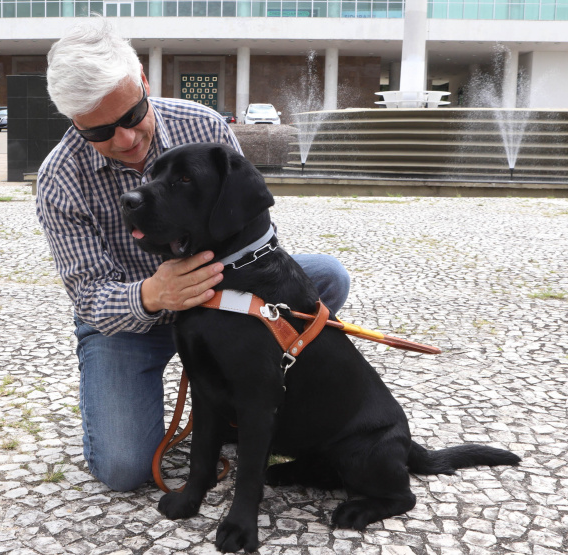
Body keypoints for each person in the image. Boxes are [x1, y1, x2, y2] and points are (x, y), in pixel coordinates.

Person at [35, 17, 350, 492]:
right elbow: (91, 297)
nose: (123, 139)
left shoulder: (200, 124)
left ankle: (242, 395)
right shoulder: (59, 178)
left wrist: (215, 288)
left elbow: (250, 228)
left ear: (143, 82)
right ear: (73, 122)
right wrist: (155, 293)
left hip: (222, 300)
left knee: (326, 276)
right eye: (99, 132)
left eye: (130, 116)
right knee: (123, 468)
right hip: (132, 321)